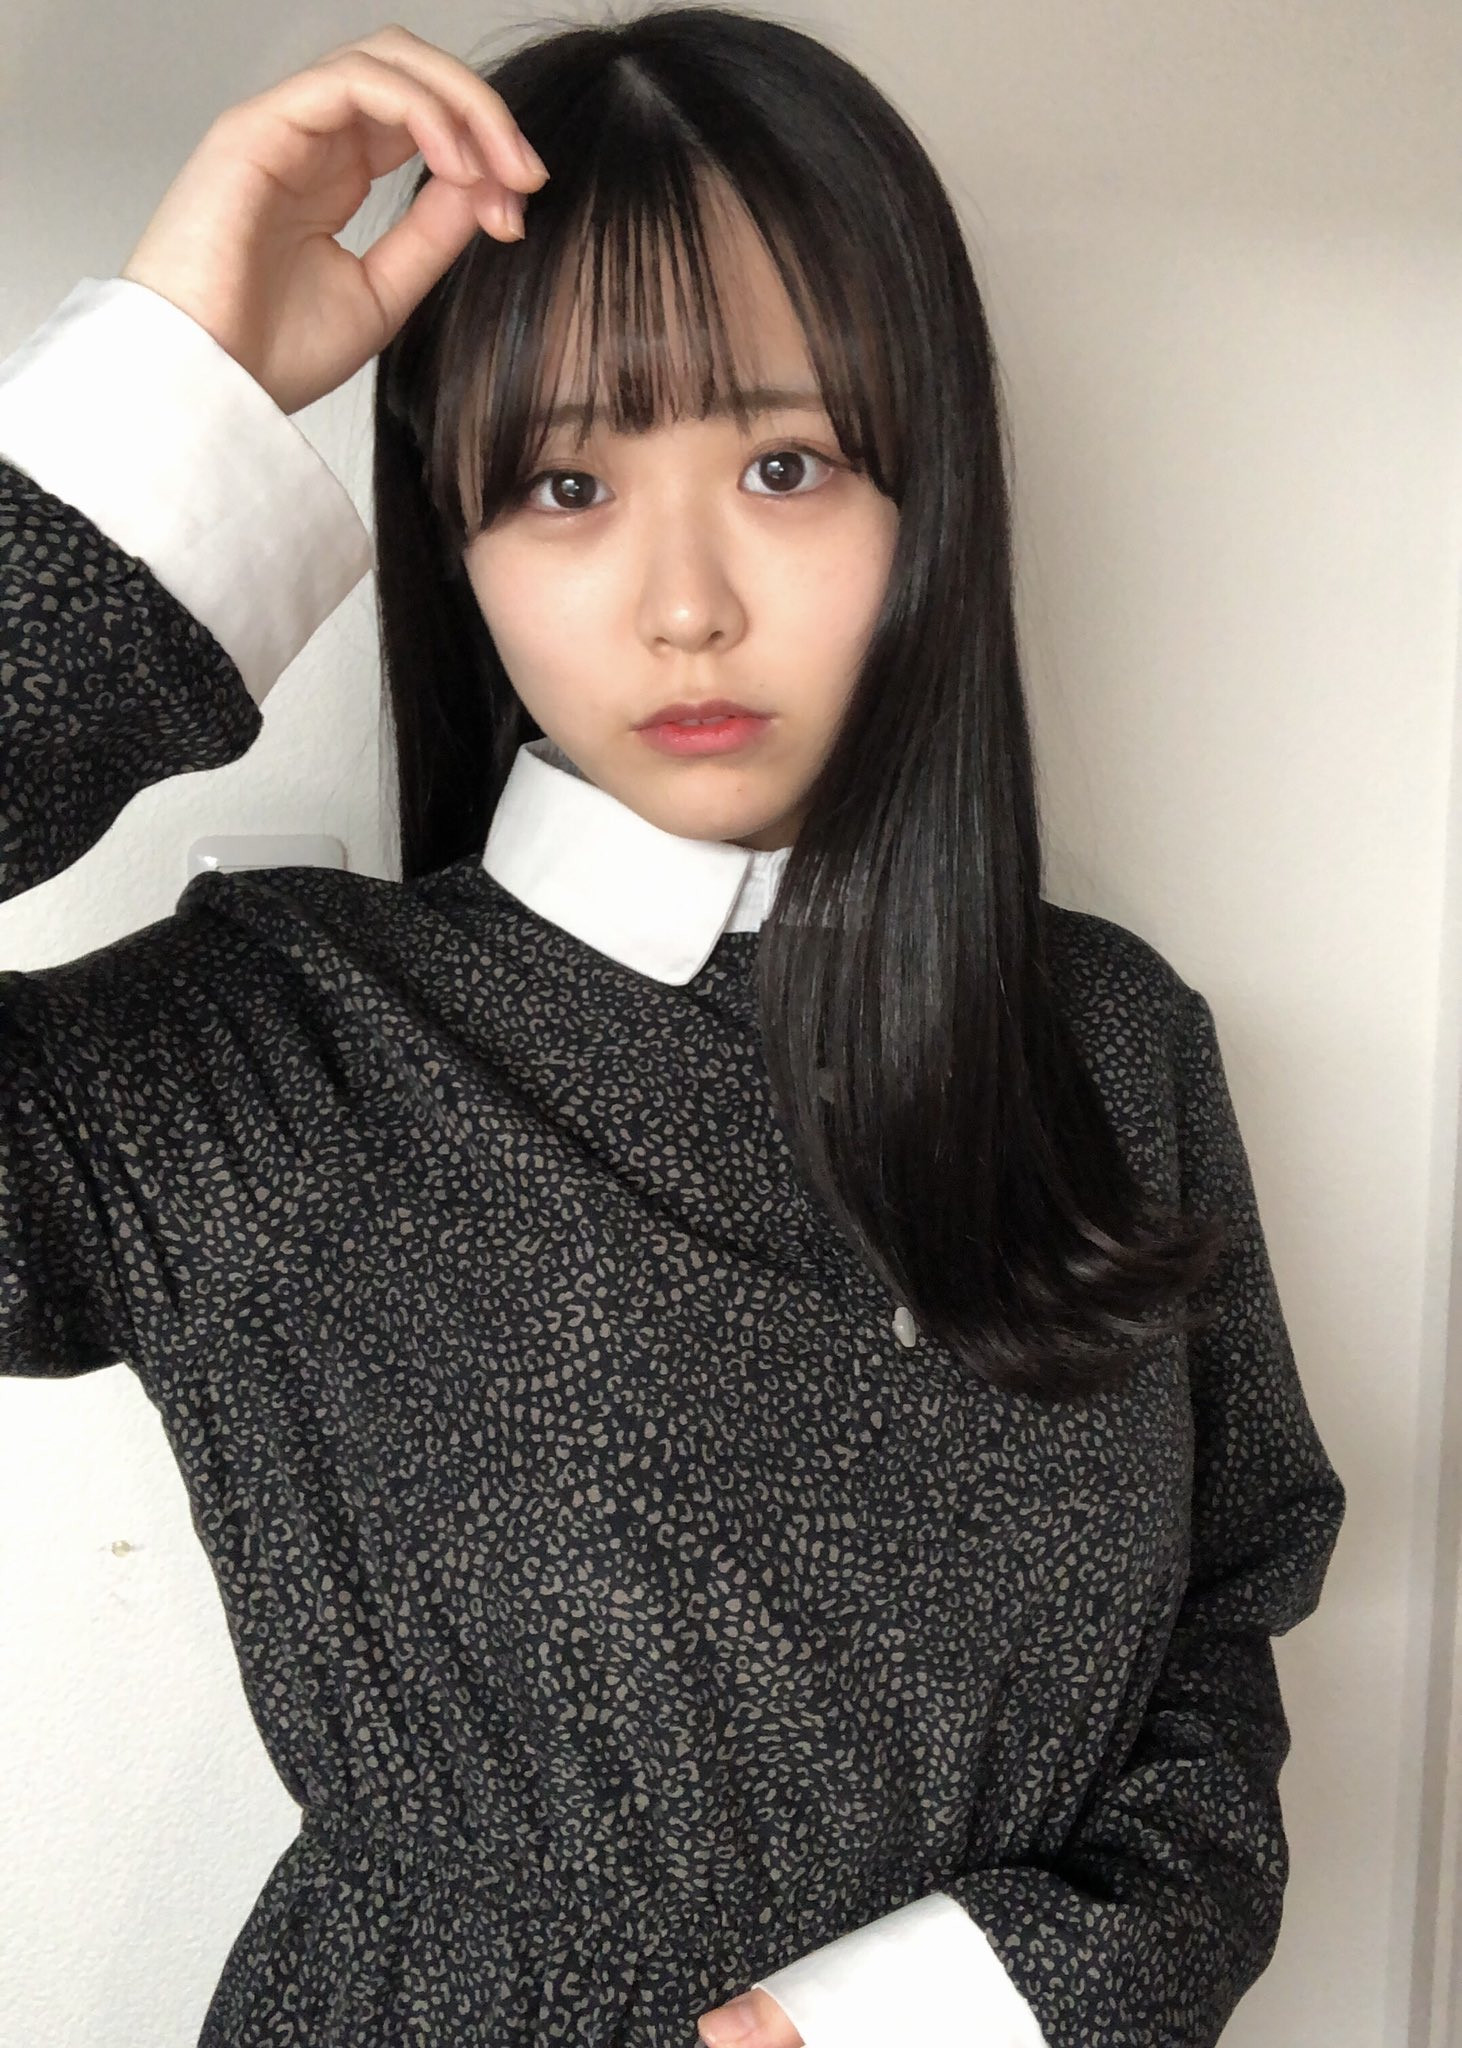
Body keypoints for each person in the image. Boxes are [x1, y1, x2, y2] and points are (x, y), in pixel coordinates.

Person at [0, 11, 1345, 2048]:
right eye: (563, 483)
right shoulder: (275, 1047)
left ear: (928, 489)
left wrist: (942, 2008)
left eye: (783, 466)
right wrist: (174, 398)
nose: (684, 601)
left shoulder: (1105, 1041)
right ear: (451, 531)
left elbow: (1220, 1634)